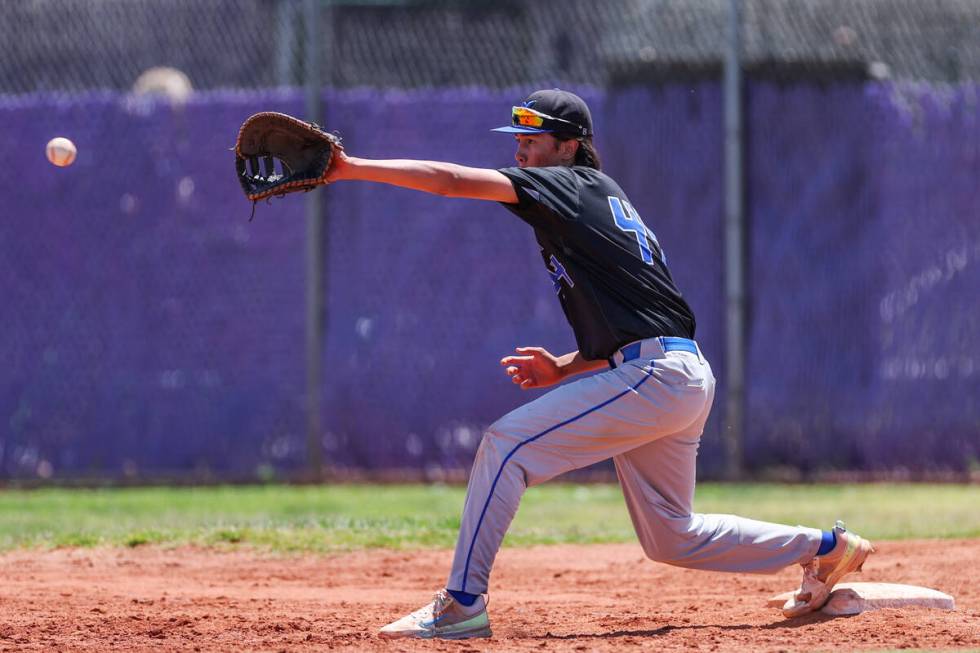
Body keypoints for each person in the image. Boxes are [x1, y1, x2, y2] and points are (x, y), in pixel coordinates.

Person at [323, 89, 874, 640]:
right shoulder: (594, 197)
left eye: (533, 141)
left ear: (569, 147)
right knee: (670, 537)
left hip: (654, 377)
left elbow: (451, 181)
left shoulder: (566, 185)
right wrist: (564, 368)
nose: (521, 152)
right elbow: (636, 315)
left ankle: (461, 604)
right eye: (518, 140)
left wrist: (350, 168)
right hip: (674, 373)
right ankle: (827, 548)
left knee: (506, 445)